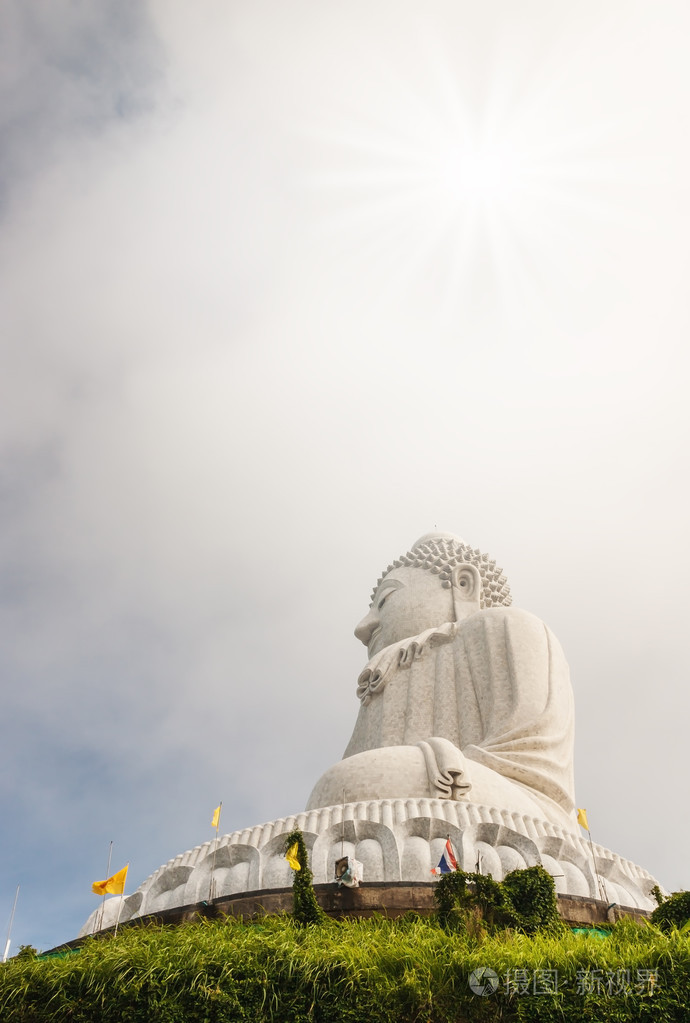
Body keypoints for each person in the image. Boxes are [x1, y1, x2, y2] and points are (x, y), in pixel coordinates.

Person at [306, 532, 577, 832]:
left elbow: (529, 767)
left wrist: (443, 763)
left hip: (517, 809)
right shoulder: (381, 676)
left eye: (384, 600)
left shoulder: (506, 627)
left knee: (347, 782)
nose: (364, 627)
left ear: (463, 585)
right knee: (339, 787)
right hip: (405, 800)